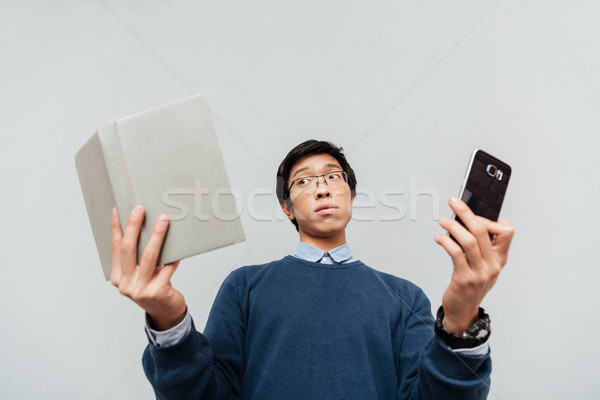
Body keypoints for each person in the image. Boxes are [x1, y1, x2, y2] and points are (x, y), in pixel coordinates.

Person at [110, 140, 515, 399]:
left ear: (351, 195)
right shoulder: (245, 287)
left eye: (332, 177)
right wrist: (168, 320)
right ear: (287, 208)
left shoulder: (405, 298)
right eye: (303, 182)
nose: (321, 187)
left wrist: (461, 318)